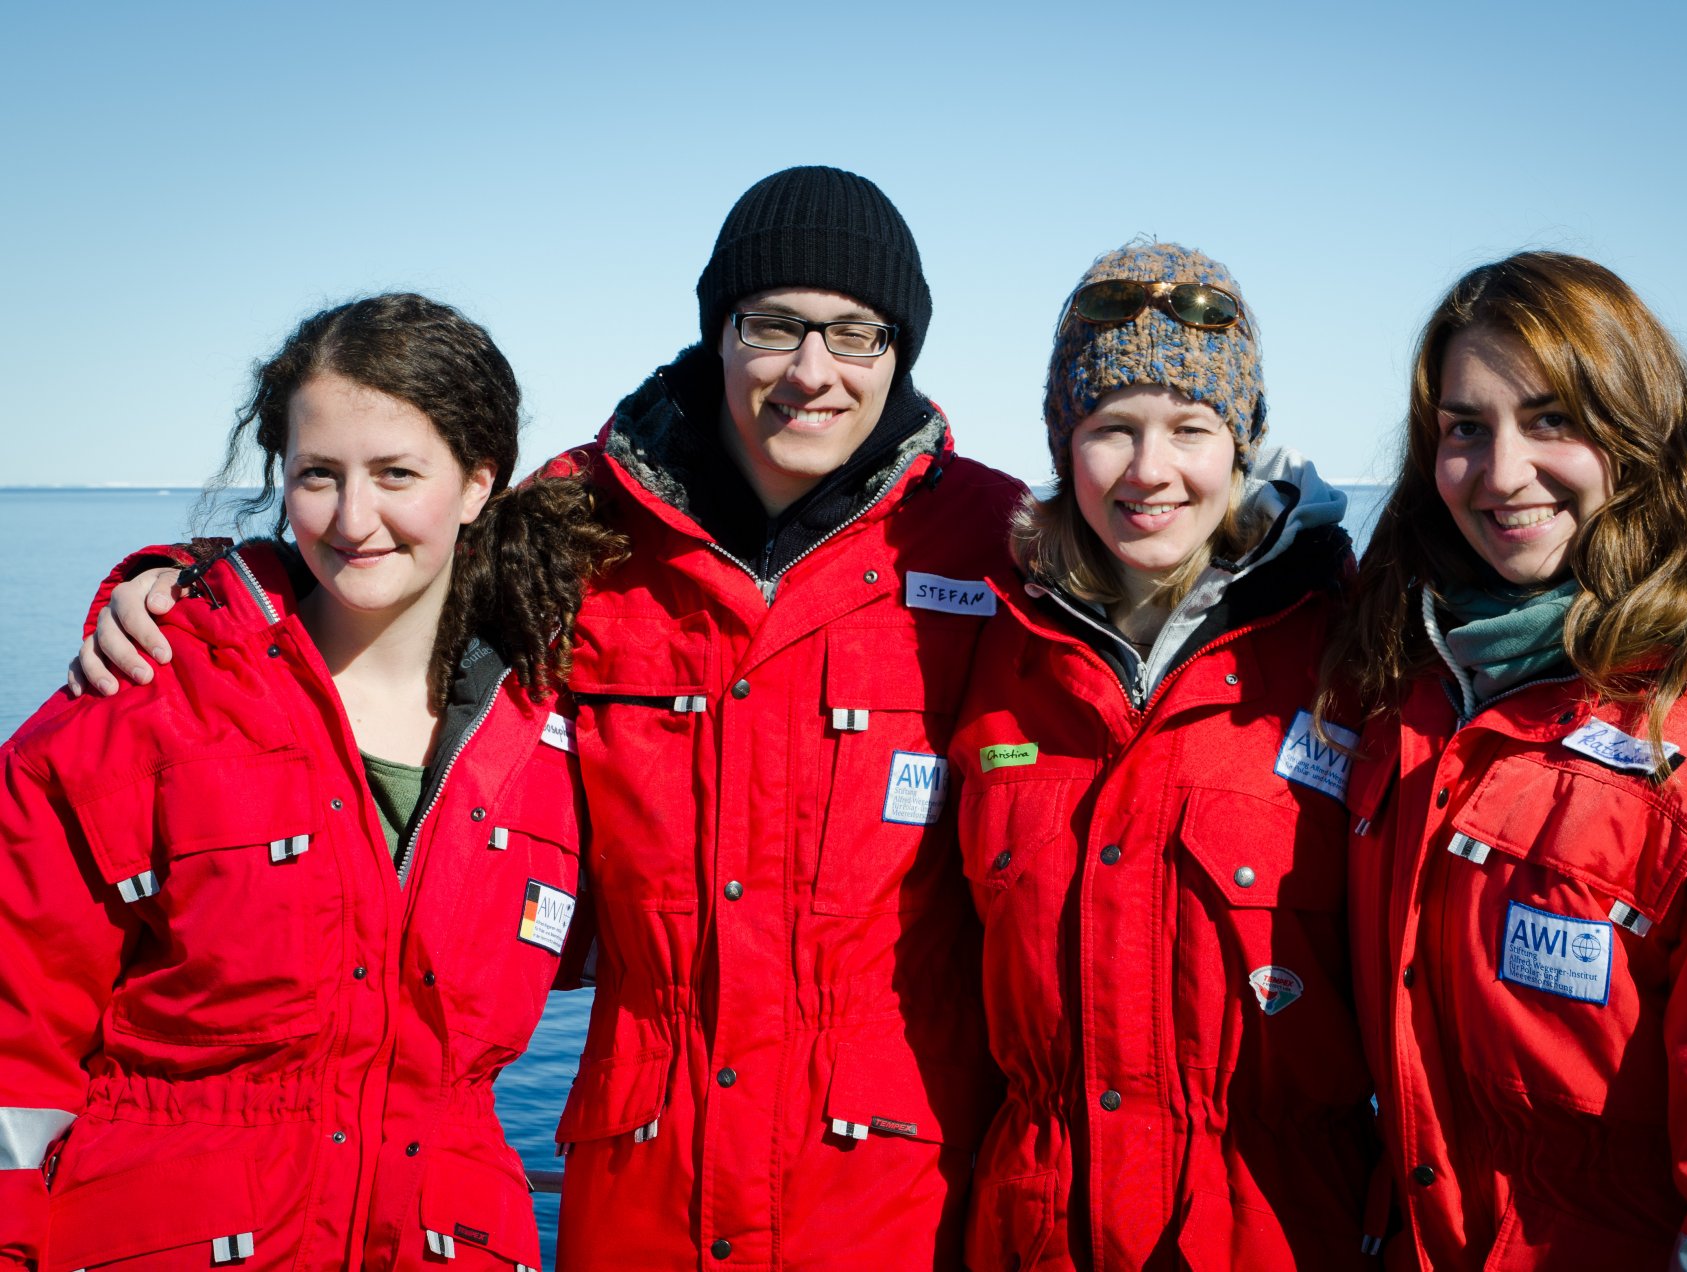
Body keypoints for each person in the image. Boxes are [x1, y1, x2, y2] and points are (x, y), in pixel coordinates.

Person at [76, 167, 1026, 1269]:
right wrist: (176, 588)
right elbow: (378, 555)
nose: (811, 372)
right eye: (773, 326)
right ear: (719, 331)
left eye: (855, 334)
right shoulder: (576, 527)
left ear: (900, 350)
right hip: (645, 1184)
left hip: (895, 1189)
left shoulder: (999, 548)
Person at [0, 293, 618, 1270]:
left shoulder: (551, 742)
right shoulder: (151, 692)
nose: (353, 518)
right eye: (318, 476)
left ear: (476, 484)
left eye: (396, 474)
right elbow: (16, 1022)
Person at [1320, 251, 1687, 1269]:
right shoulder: (1418, 684)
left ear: (1640, 433)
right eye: (1466, 429)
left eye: (1553, 420)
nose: (1502, 474)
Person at [950, 241, 1379, 1270]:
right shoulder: (993, 649)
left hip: (1277, 1235)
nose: (1150, 472)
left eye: (1190, 428)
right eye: (1111, 429)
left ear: (1243, 442)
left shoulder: (1353, 651)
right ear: (1063, 445)